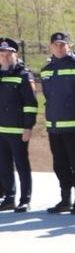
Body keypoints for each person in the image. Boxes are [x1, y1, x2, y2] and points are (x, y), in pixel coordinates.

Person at [39, 31, 75, 214]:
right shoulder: (46, 70)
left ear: (69, 46)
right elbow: (48, 97)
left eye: (62, 45)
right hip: (54, 126)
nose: (59, 48)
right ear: (51, 47)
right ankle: (65, 199)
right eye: (56, 45)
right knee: (59, 164)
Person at [0, 37, 37, 212]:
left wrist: (28, 127)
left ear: (15, 54)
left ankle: (25, 199)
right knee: (4, 165)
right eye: (2, 54)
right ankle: (9, 197)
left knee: (22, 164)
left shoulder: (24, 75)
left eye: (8, 54)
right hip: (1, 129)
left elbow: (31, 104)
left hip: (18, 129)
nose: (5, 57)